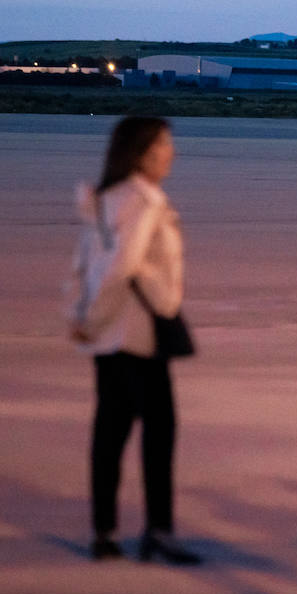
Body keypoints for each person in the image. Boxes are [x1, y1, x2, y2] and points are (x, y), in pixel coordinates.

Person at [68, 115, 201, 565]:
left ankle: (104, 533)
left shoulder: (106, 199)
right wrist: (95, 316)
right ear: (142, 153)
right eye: (165, 145)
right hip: (139, 334)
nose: (172, 153)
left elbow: (84, 263)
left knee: (110, 432)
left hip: (111, 336)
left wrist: (83, 316)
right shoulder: (144, 202)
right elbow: (121, 266)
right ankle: (158, 531)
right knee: (159, 431)